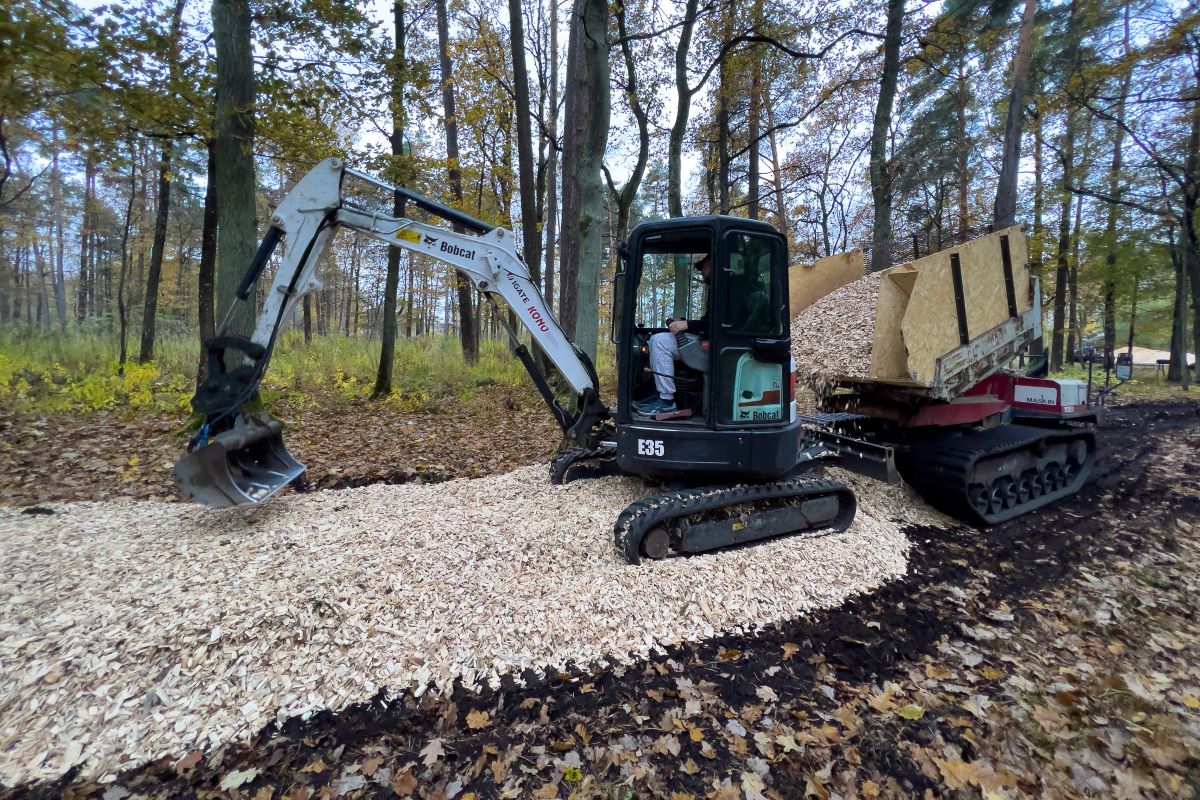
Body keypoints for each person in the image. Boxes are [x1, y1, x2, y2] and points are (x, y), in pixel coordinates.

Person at [637, 254, 712, 415]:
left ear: (713, 265)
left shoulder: (724, 289)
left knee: (659, 341)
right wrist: (685, 325)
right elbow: (709, 322)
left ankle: (666, 402)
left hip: (715, 346)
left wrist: (686, 325)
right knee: (659, 340)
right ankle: (660, 396)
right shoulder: (718, 289)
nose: (701, 272)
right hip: (709, 340)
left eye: (703, 267)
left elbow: (715, 324)